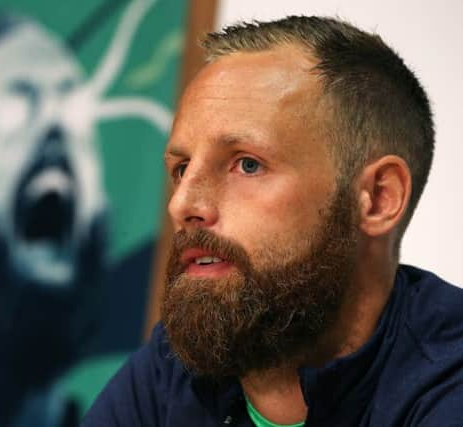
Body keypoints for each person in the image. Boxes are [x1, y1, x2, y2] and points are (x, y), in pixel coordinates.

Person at [82, 16, 463, 427]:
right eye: (181, 168)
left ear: (378, 199)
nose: (182, 204)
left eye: (247, 164)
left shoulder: (447, 382)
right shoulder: (171, 370)